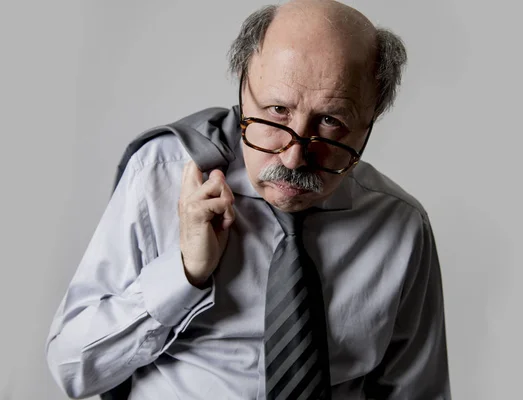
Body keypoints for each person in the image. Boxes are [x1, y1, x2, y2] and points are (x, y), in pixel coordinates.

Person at [46, 0, 451, 399]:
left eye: (331, 121)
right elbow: (73, 369)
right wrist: (185, 272)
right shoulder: (161, 174)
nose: (294, 157)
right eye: (277, 110)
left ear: (370, 122)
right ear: (243, 86)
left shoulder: (400, 224)